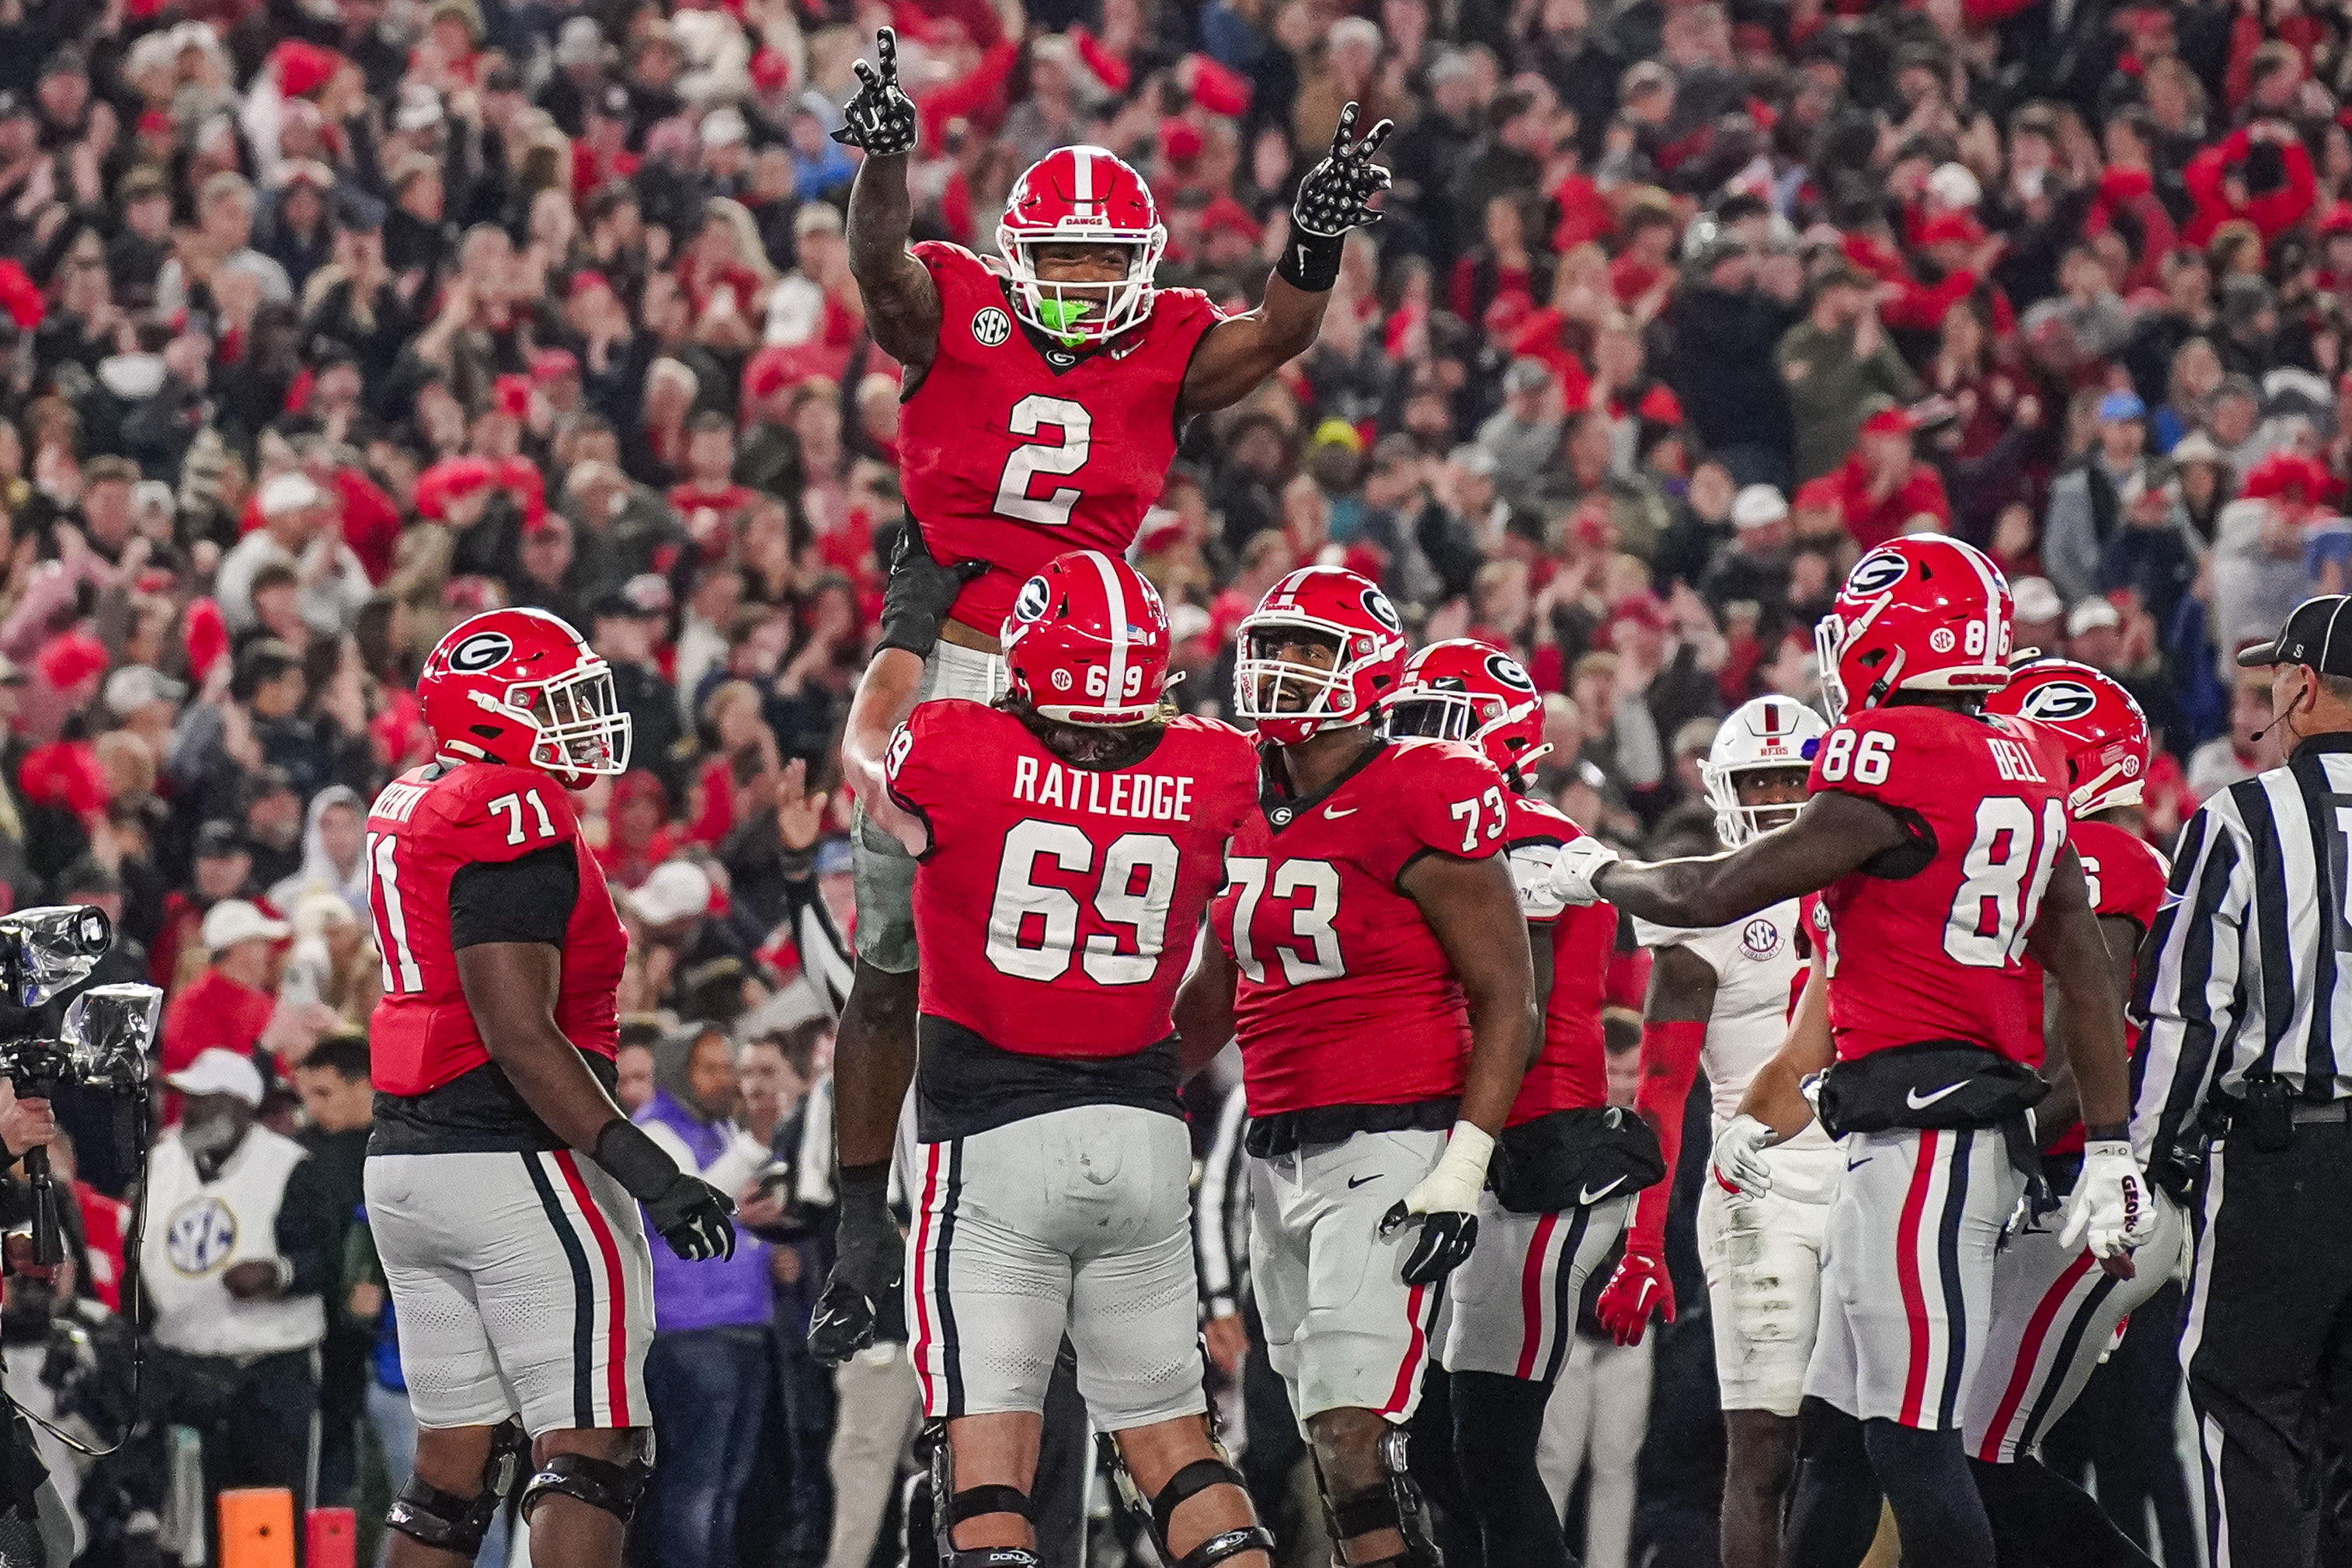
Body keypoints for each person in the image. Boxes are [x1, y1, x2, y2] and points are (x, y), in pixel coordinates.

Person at [816, 27, 1397, 1358]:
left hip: (1110, 650)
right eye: (1059, 260)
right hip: (957, 625)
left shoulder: (1172, 341)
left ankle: (1111, 1113)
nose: (1078, 286)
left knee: (1149, 907)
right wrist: (886, 164)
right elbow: (881, 264)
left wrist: (1311, 244)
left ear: (1138, 269)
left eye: (1099, 262)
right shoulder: (955, 306)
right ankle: (863, 1218)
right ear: (1018, 261)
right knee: (896, 955)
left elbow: (1283, 330)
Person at [1546, 536, 2148, 1568]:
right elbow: (2087, 975)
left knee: (1913, 1444)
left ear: (1895, 634)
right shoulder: (2026, 761)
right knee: (1838, 1432)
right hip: (1924, 1129)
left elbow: (1712, 891)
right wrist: (2106, 1142)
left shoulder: (1897, 753)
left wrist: (1600, 870)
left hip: (1922, 1133)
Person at [842, 549, 1271, 1568]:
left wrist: (904, 634)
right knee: (1175, 1440)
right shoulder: (1213, 766)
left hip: (989, 1137)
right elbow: (1238, 952)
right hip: (1143, 1127)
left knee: (989, 1463)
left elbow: (864, 756)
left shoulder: (957, 746)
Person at [1172, 565, 1539, 1568]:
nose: (1282, 667)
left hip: (1390, 1136)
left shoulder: (1423, 786)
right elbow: (1212, 986)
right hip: (1271, 1149)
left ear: (1370, 667)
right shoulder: (1240, 791)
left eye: (1309, 649)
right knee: (1332, 1435)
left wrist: (1462, 1168)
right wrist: (1121, 1082)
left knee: (1351, 1425)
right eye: (1274, 644)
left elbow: (1510, 997)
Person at [360, 607, 735, 1568]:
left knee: (450, 1472)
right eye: (550, 701)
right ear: (490, 714)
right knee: (591, 1450)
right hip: (513, 1157)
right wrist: (647, 1166)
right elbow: (518, 1029)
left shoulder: (422, 794)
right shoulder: (511, 806)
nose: (576, 719)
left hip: (408, 1163)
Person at [1381, 638, 1653, 1568]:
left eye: (1433, 724)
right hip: (1484, 1150)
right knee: (1434, 1447)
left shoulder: (1524, 836)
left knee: (1487, 1448)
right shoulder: (1458, 827)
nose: (1407, 743)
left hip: (1540, 1153)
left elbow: (1517, 1020)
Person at [2130, 593, 2352, 1567]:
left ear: (2301, 686)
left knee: (2257, 1425)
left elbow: (2187, 1012)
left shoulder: (2246, 816)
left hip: (2287, 1159)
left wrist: (2153, 1160)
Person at [1590, 694, 1832, 1568]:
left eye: (1788, 780)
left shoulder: (1869, 879)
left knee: (1881, 1437)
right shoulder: (1705, 906)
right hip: (1757, 1189)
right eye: (1755, 781)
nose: (1771, 800)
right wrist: (1643, 1240)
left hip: (1879, 1168)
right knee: (1761, 1444)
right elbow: (1658, 1091)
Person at [1966, 659, 2185, 1567]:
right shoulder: (2075, 852)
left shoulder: (2104, 855)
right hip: (2070, 1181)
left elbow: (2073, 1047)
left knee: (1981, 1448)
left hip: (2087, 1186)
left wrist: (1991, 1156)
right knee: (1989, 1448)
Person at [144, 1049, 337, 1549]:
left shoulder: (290, 1166)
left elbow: (329, 1262)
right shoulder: (160, 1162)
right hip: (184, 1370)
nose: (190, 1110)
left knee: (270, 1523)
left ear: (241, 1107)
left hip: (268, 1370)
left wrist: (280, 1274)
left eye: (206, 1100)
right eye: (189, 1099)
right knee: (190, 1528)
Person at [632, 1023, 776, 1568]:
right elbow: (693, 1208)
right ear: (676, 1073)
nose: (725, 1080)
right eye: (710, 1068)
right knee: (698, 1484)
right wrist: (755, 1144)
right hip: (691, 1330)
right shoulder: (654, 1131)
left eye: (727, 1066)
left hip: (740, 1321)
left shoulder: (714, 1129)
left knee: (727, 1486)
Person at [294, 1031, 377, 1509]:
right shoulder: (301, 1152)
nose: (312, 1107)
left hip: (388, 1343)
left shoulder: (395, 1149)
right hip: (320, 1331)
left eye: (324, 1094)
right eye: (307, 1094)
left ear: (364, 1084)